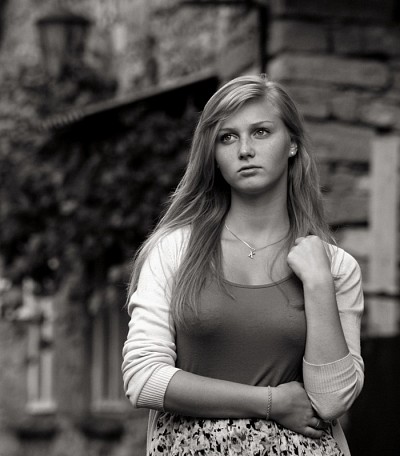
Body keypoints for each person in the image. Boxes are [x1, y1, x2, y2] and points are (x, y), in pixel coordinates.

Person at [122, 74, 364, 456]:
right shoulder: (175, 251)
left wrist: (319, 283)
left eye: (261, 132)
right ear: (214, 155)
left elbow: (332, 401)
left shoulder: (334, 267)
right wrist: (270, 402)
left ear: (292, 144)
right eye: (227, 137)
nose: (245, 150)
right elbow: (143, 378)